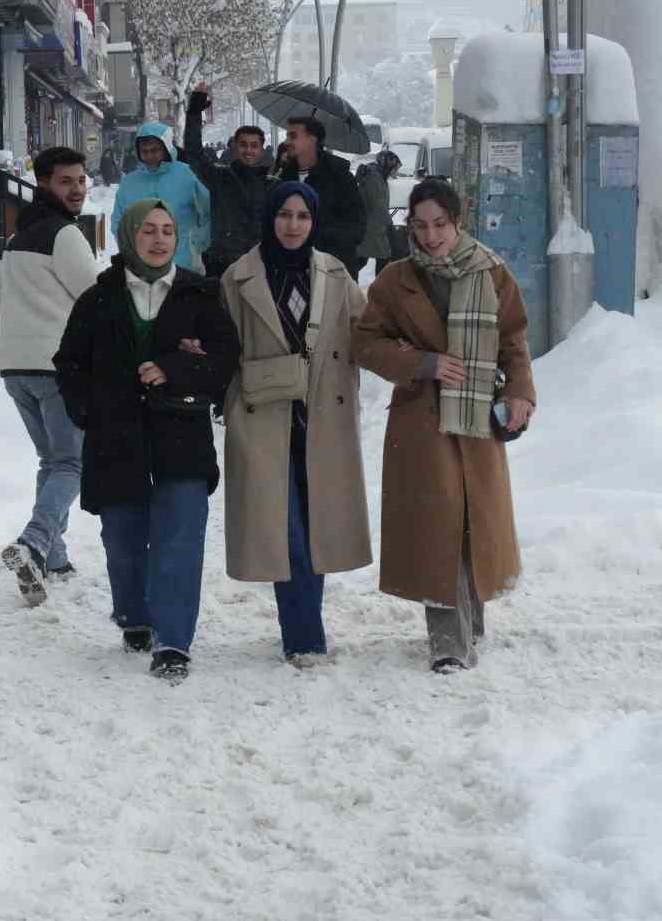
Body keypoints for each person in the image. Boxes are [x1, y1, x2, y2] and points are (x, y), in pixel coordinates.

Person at [352, 179, 536, 673]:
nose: (430, 236)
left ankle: (470, 620)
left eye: (439, 224)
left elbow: (514, 340)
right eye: (419, 226)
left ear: (458, 223)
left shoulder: (492, 274)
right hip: (422, 421)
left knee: (472, 523)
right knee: (439, 526)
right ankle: (448, 641)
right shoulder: (394, 280)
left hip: (478, 418)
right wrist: (423, 364)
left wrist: (519, 393)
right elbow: (365, 343)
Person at [54, 198, 240, 680]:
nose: (159, 240)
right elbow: (68, 364)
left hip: (182, 438)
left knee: (180, 538)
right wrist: (89, 413)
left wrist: (177, 367)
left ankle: (174, 641)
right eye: (148, 232)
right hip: (116, 440)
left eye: (167, 231)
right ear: (129, 236)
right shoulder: (99, 299)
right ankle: (135, 617)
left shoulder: (200, 295)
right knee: (123, 539)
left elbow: (225, 360)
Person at [220, 182, 371, 663]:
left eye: (302, 216)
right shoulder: (239, 277)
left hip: (322, 417)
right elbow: (222, 346)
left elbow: (365, 332)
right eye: (284, 214)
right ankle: (304, 636)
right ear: (270, 217)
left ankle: (303, 630)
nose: (292, 225)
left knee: (316, 528)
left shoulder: (334, 273)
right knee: (285, 532)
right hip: (263, 418)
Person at [0, 146, 99, 608]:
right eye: (65, 182)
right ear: (45, 184)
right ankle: (34, 543)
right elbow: (95, 298)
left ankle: (53, 559)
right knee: (71, 463)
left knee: (52, 462)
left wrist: (30, 315)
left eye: (80, 180)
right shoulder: (65, 235)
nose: (76, 190)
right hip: (57, 365)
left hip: (15, 364)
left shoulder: (19, 237)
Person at [182, 83, 274, 284]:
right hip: (222, 267)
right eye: (243, 145)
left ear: (261, 149)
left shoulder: (272, 184)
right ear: (234, 146)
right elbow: (194, 153)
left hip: (260, 267)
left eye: (253, 146)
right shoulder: (221, 177)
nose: (248, 150)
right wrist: (195, 111)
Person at [112, 121, 211, 272]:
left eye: (155, 150)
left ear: (167, 148)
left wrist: (197, 246)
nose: (149, 155)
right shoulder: (129, 183)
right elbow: (119, 222)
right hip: (142, 267)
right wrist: (129, 250)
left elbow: (208, 213)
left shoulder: (188, 175)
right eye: (144, 151)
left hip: (183, 264)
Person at [274, 115, 367, 271]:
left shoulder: (339, 176)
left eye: (293, 136)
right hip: (292, 269)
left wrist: (315, 237)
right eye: (287, 136)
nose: (287, 142)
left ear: (312, 140)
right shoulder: (283, 176)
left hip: (332, 269)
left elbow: (357, 227)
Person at [351, 149, 401, 279]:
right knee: (383, 257)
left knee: (363, 259)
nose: (396, 172)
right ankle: (379, 287)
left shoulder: (378, 175)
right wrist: (390, 225)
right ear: (387, 165)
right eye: (395, 168)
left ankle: (351, 282)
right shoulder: (374, 177)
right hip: (370, 228)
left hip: (373, 226)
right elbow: (378, 205)